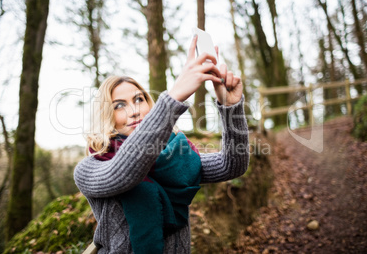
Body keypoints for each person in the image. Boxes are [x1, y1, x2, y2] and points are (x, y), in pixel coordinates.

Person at [74, 35, 250, 253]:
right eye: (119, 105)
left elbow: (231, 165)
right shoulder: (90, 168)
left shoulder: (175, 157)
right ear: (106, 116)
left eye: (139, 99)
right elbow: (126, 171)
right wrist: (174, 96)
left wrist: (231, 108)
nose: (134, 110)